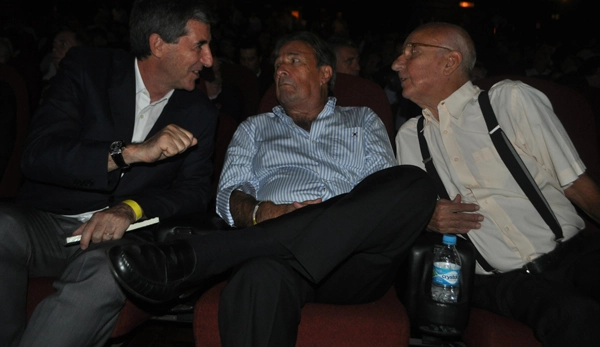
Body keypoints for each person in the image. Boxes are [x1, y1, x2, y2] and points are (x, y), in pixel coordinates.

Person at [107, 30, 437, 346]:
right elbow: (228, 196)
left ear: (324, 73)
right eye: (278, 63)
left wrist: (319, 219)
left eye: (294, 60)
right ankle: (222, 251)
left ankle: (200, 255)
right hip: (278, 262)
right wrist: (258, 211)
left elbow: (379, 194)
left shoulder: (363, 119)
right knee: (254, 280)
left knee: (415, 184)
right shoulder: (254, 128)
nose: (281, 68)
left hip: (354, 262)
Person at [0, 0, 218, 347]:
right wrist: (128, 153)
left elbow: (194, 193)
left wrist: (129, 209)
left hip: (122, 238)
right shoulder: (88, 70)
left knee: (107, 270)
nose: (208, 60)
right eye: (199, 45)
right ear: (158, 44)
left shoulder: (200, 112)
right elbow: (38, 155)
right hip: (50, 224)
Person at [393, 22, 600, 346]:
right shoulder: (409, 136)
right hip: (497, 279)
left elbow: (576, 185)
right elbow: (409, 215)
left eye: (411, 51)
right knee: (574, 315)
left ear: (450, 61)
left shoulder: (509, 101)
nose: (396, 63)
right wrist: (428, 217)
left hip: (573, 253)